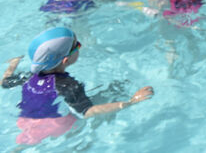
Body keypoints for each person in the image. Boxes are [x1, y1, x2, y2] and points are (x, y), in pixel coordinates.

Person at [1, 27, 153, 145]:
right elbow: (87, 112)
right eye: (77, 45)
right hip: (59, 127)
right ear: (65, 60)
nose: (80, 47)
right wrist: (132, 102)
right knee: (105, 100)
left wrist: (13, 64)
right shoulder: (69, 86)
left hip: (27, 121)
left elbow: (5, 82)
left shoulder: (29, 76)